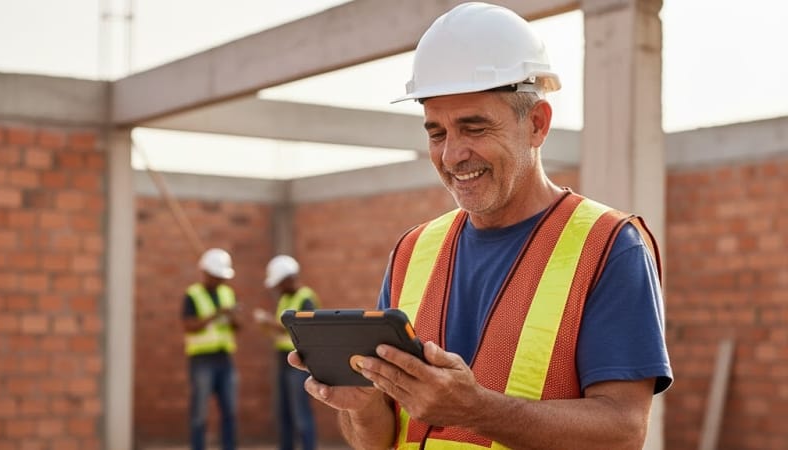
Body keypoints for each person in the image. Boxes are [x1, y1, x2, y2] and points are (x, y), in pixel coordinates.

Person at [288, 2, 673, 449]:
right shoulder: (414, 250)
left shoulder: (607, 246)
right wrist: (362, 408)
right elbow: (381, 440)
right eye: (437, 133)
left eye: (474, 128)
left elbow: (623, 431)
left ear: (537, 124)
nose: (452, 155)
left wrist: (475, 409)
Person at [253, 255, 319, 450]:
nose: (277, 288)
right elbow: (282, 331)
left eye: (279, 283)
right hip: (283, 361)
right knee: (285, 413)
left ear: (289, 278)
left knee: (301, 413)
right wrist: (268, 327)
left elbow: (303, 328)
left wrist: (269, 321)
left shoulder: (306, 298)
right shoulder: (285, 298)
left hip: (300, 363)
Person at [182, 248, 243, 450]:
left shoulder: (228, 293)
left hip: (225, 358)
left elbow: (238, 327)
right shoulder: (192, 295)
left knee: (230, 411)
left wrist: (233, 318)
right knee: (199, 413)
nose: (220, 281)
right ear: (206, 273)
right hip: (201, 360)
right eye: (216, 277)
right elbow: (189, 326)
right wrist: (215, 314)